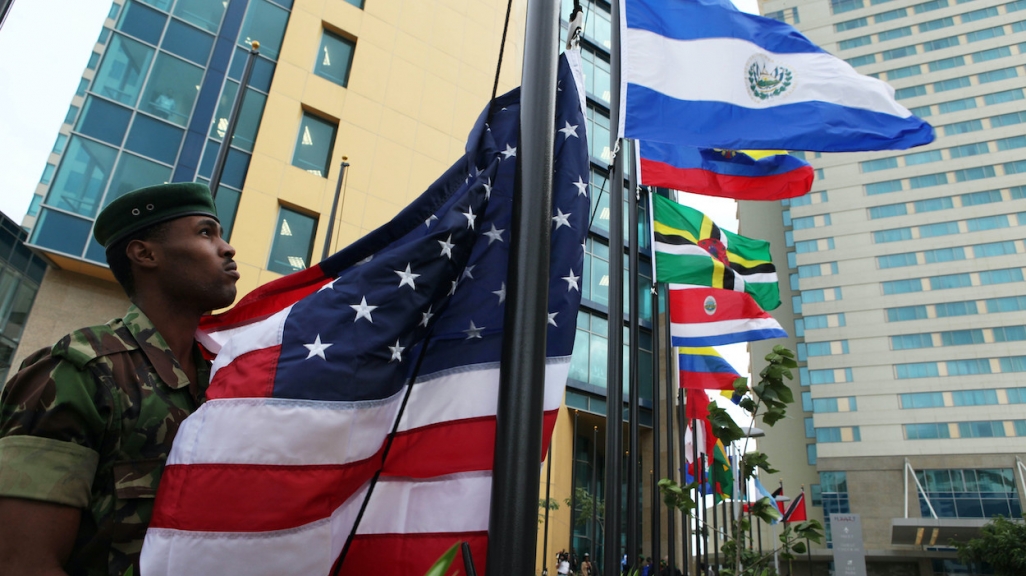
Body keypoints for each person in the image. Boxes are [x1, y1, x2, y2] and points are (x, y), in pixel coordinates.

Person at [0, 182, 238, 576]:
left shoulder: (223, 381)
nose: (226, 247)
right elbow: (21, 560)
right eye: (205, 232)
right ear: (145, 254)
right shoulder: (81, 371)